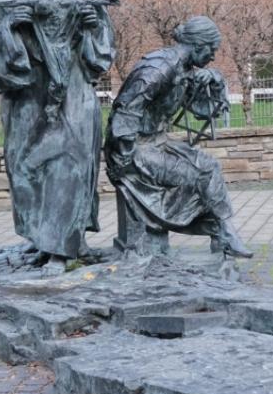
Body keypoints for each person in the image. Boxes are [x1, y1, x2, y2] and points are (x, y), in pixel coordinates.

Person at [0, 0, 116, 266]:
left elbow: (102, 48)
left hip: (74, 90)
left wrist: (93, 28)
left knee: (71, 162)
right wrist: (10, 27)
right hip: (29, 92)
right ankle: (44, 237)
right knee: (26, 166)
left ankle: (66, 245)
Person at [104, 17, 252, 261]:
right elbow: (126, 109)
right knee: (202, 173)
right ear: (198, 45)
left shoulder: (185, 70)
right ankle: (223, 233)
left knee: (208, 167)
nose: (212, 57)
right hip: (132, 150)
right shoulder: (160, 66)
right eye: (211, 50)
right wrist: (126, 158)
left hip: (157, 143)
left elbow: (204, 112)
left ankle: (223, 233)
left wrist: (214, 81)